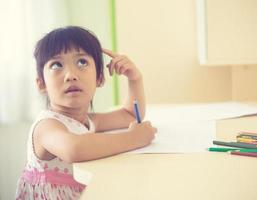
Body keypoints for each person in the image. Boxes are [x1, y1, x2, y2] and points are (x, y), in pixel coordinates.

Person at [15, 26, 157, 199]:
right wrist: (134, 138)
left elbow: (130, 115)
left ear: (99, 78)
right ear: (42, 83)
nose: (70, 75)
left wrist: (135, 78)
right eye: (57, 65)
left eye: (82, 62)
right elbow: (75, 148)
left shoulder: (87, 120)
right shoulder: (47, 126)